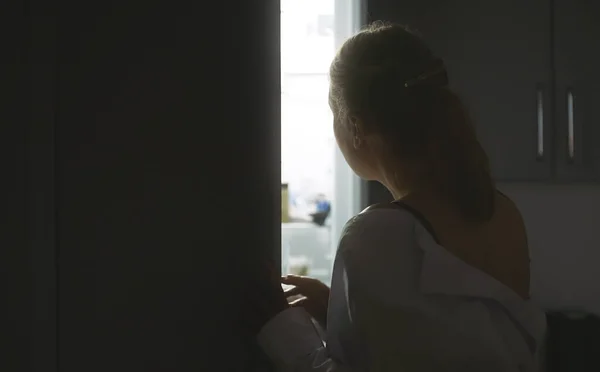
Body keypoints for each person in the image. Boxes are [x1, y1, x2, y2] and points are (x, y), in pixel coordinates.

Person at [245, 21, 547, 371]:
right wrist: (336, 309)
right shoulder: (503, 213)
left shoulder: (376, 235)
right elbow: (445, 339)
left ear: (356, 127)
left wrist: (282, 328)